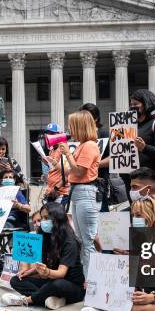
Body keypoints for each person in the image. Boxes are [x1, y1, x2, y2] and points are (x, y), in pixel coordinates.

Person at [1, 202, 86, 310]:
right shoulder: (46, 237)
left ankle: (28, 300)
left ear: (57, 218)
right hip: (51, 281)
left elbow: (61, 273)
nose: (43, 222)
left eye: (46, 218)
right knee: (16, 280)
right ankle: (49, 298)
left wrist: (47, 272)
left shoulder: (69, 242)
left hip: (72, 286)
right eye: (42, 218)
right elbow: (44, 266)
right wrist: (30, 272)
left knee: (56, 284)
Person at [57, 111, 101, 277]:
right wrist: (55, 162)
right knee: (82, 239)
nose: (70, 130)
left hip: (86, 192)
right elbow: (71, 171)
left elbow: (80, 171)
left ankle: (92, 282)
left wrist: (68, 153)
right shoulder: (83, 145)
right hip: (78, 193)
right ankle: (87, 279)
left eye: (72, 127)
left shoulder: (89, 145)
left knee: (88, 240)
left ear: (80, 127)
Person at [124, 90, 155, 200]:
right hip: (133, 179)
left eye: (136, 104)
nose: (132, 107)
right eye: (131, 104)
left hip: (153, 178)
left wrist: (145, 148)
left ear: (146, 104)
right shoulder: (128, 126)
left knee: (152, 213)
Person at [80, 103, 111, 212]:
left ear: (96, 119)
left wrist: (95, 165)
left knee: (101, 212)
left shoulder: (105, 133)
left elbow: (114, 158)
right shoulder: (81, 136)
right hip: (82, 183)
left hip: (100, 182)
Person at [43, 123, 70, 206]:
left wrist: (56, 188)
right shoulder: (51, 150)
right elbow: (53, 169)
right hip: (51, 191)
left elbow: (69, 172)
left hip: (60, 192)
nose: (49, 136)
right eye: (48, 133)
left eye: (52, 133)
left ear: (59, 134)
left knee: (58, 217)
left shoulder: (63, 148)